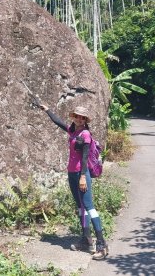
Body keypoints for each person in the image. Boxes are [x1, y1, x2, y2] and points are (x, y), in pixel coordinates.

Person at [39, 104, 108, 260]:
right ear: (74, 117)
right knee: (80, 207)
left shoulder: (85, 135)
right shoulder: (73, 131)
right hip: (72, 173)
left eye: (82, 117)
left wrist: (83, 176)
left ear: (85, 120)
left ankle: (102, 244)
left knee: (89, 207)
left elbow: (84, 158)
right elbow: (59, 122)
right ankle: (86, 239)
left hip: (81, 174)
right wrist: (47, 109)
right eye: (77, 116)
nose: (79, 119)